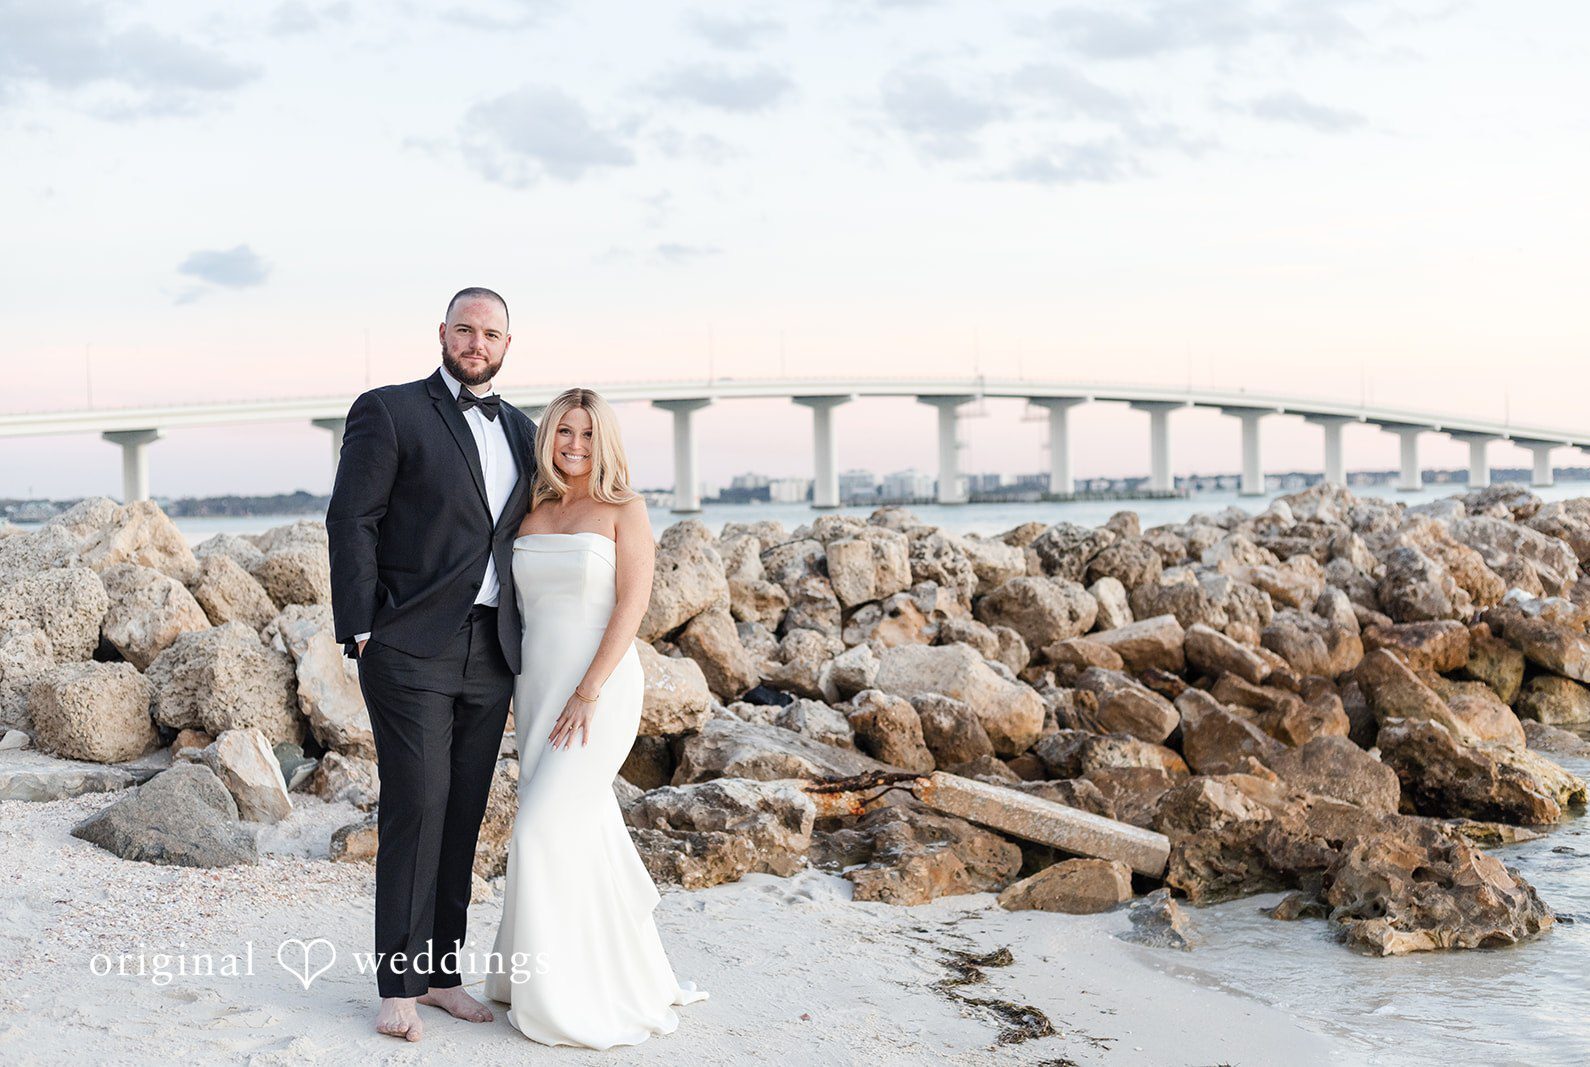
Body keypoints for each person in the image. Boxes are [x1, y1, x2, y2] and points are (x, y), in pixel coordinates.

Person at [326, 287, 537, 1042]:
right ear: (442, 333)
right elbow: (352, 518)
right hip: (409, 644)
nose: (477, 343)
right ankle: (398, 985)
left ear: (508, 344)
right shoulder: (388, 410)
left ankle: (444, 972)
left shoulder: (522, 428)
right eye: (465, 329)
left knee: (464, 813)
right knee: (418, 804)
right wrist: (359, 628)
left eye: (491, 333)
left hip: (493, 649)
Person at [483, 387, 708, 1048]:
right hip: (537, 689)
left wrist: (589, 687)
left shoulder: (623, 508)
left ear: (603, 440)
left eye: (585, 434)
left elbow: (633, 602)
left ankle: (559, 993)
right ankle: (584, 972)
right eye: (562, 433)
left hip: (598, 691)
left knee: (537, 829)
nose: (574, 445)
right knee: (584, 829)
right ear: (547, 437)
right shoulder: (529, 505)